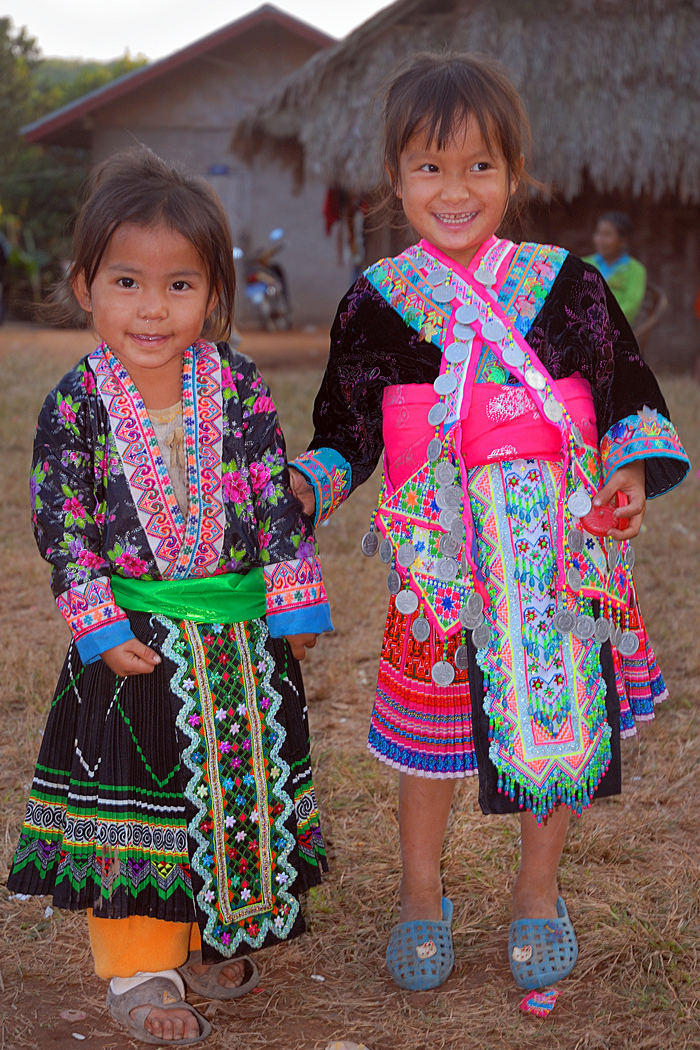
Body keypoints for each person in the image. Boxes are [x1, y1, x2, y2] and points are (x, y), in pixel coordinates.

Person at [288, 54, 690, 994]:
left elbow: (628, 394)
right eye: (430, 167)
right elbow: (345, 429)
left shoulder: (569, 285)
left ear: (515, 174)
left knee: (560, 731)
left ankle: (536, 891)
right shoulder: (377, 301)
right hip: (439, 559)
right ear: (394, 178)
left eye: (479, 167)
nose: (455, 190)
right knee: (426, 729)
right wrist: (307, 485)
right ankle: (421, 894)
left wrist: (627, 470)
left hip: (558, 546)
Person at [7, 149, 332, 1045]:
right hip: (136, 640)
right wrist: (96, 625)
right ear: (85, 287)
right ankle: (138, 968)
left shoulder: (237, 385)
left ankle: (207, 931)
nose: (153, 308)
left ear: (213, 294)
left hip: (237, 635)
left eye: (180, 285)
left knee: (232, 790)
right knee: (138, 797)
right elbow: (62, 527)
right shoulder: (74, 405)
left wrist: (294, 605)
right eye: (127, 282)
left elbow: (272, 493)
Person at [584, 211, 647, 325]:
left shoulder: (635, 270)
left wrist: (601, 320)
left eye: (607, 235)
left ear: (622, 240)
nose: (600, 240)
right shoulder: (584, 264)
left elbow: (631, 307)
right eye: (598, 233)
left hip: (617, 330)